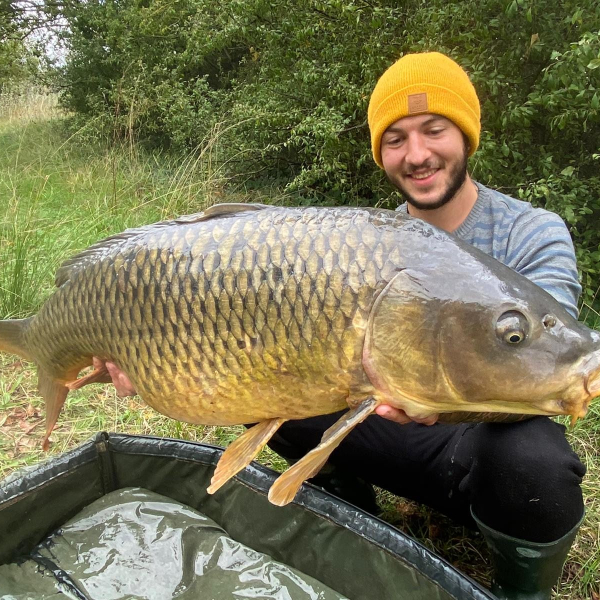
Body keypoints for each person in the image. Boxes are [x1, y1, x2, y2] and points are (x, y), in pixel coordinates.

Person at [96, 52, 586, 600]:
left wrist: (436, 397)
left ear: (467, 135)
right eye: (395, 138)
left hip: (481, 455)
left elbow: (543, 362)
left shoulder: (534, 232)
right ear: (381, 153)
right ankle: (350, 514)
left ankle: (522, 590)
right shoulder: (371, 244)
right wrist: (151, 355)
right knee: (272, 386)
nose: (417, 154)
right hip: (389, 435)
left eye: (434, 129)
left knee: (535, 460)